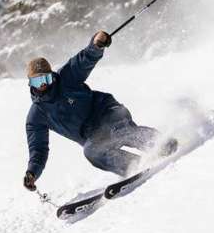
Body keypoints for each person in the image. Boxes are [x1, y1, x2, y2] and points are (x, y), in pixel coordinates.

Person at [23, 31, 177, 191]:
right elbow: (38, 149)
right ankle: (134, 167)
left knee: (118, 132)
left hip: (108, 112)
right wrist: (32, 172)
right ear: (30, 83)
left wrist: (96, 44)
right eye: (37, 80)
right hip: (93, 136)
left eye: (46, 78)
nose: (43, 85)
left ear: (52, 77)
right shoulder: (36, 117)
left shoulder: (66, 78)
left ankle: (160, 143)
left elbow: (84, 60)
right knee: (91, 151)